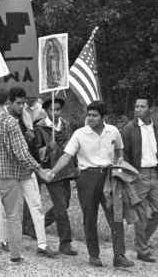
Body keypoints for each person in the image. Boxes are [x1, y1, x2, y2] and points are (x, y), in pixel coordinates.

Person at [0, 86, 50, 270]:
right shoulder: (10, 122)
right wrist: (38, 169)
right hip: (7, 176)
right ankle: (15, 256)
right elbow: (21, 152)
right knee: (13, 217)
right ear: (6, 101)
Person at [50, 100, 134, 268]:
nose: (90, 118)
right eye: (88, 115)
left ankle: (119, 255)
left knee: (115, 216)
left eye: (94, 116)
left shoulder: (113, 131)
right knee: (90, 217)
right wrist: (53, 172)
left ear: (103, 117)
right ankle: (94, 255)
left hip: (110, 178)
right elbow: (67, 156)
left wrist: (120, 159)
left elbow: (119, 148)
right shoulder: (80, 134)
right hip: (87, 178)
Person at [0, 87, 58, 258]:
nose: (21, 106)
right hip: (8, 168)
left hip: (26, 166)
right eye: (18, 103)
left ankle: (42, 244)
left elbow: (28, 143)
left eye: (23, 102)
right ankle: (4, 240)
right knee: (5, 207)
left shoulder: (24, 115)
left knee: (36, 204)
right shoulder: (2, 118)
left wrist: (30, 137)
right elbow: (6, 144)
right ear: (9, 102)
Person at [33, 95, 78, 256]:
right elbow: (36, 151)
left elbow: (72, 144)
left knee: (64, 204)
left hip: (66, 169)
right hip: (50, 171)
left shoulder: (66, 125)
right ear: (46, 111)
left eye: (58, 109)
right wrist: (46, 148)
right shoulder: (39, 127)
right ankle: (65, 243)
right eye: (53, 109)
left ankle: (36, 226)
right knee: (61, 207)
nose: (56, 112)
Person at [121, 95, 158, 263]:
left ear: (150, 108)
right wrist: (131, 176)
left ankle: (141, 241)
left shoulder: (155, 127)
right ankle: (143, 250)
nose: (138, 109)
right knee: (141, 214)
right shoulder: (129, 129)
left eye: (142, 106)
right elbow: (125, 155)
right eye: (136, 106)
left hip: (155, 174)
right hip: (139, 175)